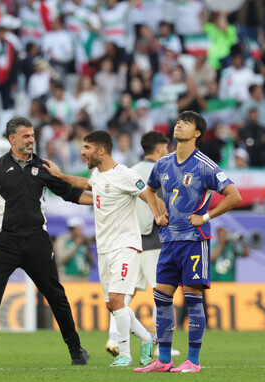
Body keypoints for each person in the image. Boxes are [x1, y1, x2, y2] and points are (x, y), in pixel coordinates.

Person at [0, 117, 91, 366]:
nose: (31, 140)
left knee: (56, 296)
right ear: (11, 139)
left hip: (37, 242)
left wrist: (102, 201)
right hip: (4, 243)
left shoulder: (44, 167)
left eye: (33, 135)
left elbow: (71, 194)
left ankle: (76, 351)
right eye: (26, 136)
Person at [134, 111, 242, 373]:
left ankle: (193, 360)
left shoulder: (205, 165)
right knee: (161, 298)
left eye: (186, 123)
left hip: (195, 240)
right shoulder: (163, 164)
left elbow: (234, 196)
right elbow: (148, 190)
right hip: (169, 240)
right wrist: (158, 213)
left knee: (193, 300)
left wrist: (205, 216)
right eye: (178, 121)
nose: (178, 124)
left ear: (196, 134)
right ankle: (165, 359)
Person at [42, 130, 160, 367]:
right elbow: (86, 183)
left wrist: (159, 214)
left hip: (125, 245)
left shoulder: (125, 173)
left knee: (117, 299)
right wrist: (60, 175)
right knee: (113, 304)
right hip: (104, 248)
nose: (82, 152)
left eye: (86, 148)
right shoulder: (97, 174)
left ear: (101, 150)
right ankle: (148, 339)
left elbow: (147, 191)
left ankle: (125, 354)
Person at [104, 130, 178, 358]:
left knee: (125, 293)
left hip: (130, 241)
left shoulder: (130, 172)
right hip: (154, 240)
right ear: (159, 149)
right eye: (166, 149)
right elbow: (167, 204)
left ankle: (113, 337)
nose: (168, 152)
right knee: (161, 293)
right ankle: (160, 345)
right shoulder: (162, 170)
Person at [54, 217, 95, 283]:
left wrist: (87, 249)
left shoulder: (83, 240)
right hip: (67, 278)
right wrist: (75, 245)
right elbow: (61, 258)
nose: (79, 231)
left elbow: (92, 262)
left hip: (83, 278)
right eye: (76, 228)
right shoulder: (62, 239)